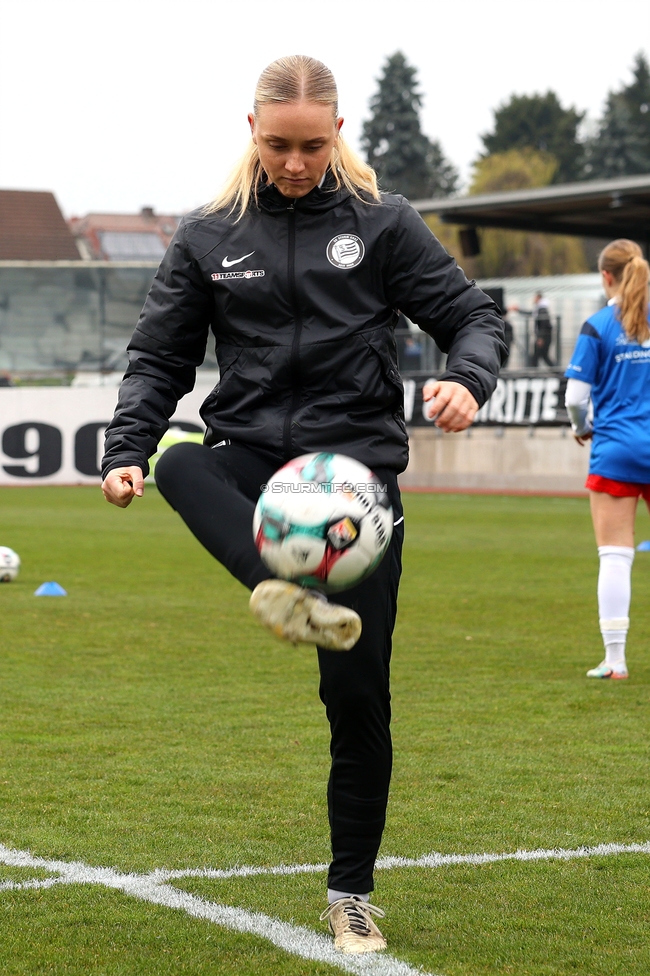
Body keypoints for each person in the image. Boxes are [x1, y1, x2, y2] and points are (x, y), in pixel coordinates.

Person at [100, 55, 505, 954]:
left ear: (339, 132)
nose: (294, 161)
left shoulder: (385, 225)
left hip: (354, 476)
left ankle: (351, 893)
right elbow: (159, 357)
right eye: (279, 144)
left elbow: (472, 317)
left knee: (357, 698)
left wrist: (467, 380)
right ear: (252, 131)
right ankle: (272, 587)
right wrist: (125, 447)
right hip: (250, 458)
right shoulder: (208, 235)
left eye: (311, 145)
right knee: (175, 460)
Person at [565, 239, 650, 680]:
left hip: (616, 448)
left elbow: (576, 398)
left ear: (606, 277)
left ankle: (615, 661)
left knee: (616, 556)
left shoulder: (598, 325)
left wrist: (582, 428)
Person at [531, 292, 554, 367]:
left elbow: (544, 324)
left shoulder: (542, 309)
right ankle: (558, 373)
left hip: (544, 337)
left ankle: (558, 373)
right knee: (541, 356)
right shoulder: (540, 309)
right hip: (544, 337)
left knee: (539, 356)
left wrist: (540, 337)